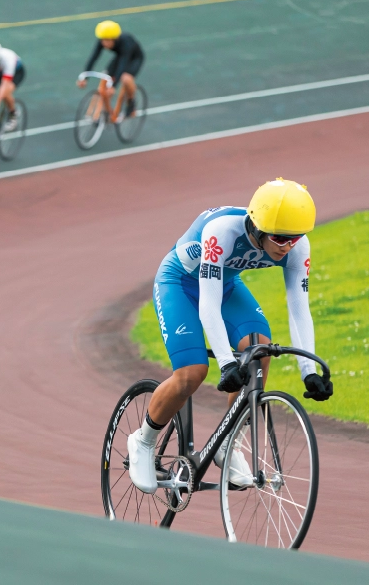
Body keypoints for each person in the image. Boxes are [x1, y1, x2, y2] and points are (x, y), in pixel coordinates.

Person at [127, 179, 334, 494]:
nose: (286, 246)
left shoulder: (295, 247)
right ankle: (143, 440)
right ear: (258, 226)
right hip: (179, 283)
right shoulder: (222, 231)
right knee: (192, 373)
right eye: (280, 238)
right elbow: (208, 303)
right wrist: (226, 363)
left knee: (260, 351)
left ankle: (228, 442)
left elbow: (299, 310)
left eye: (295, 238)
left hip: (225, 284)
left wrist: (309, 372)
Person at [77, 21, 144, 122]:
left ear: (115, 39)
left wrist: (113, 86)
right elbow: (93, 58)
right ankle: (108, 113)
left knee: (125, 78)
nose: (105, 43)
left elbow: (122, 64)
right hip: (119, 57)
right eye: (103, 40)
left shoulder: (126, 43)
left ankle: (131, 104)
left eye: (108, 41)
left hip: (134, 58)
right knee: (105, 80)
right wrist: (85, 78)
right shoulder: (102, 41)